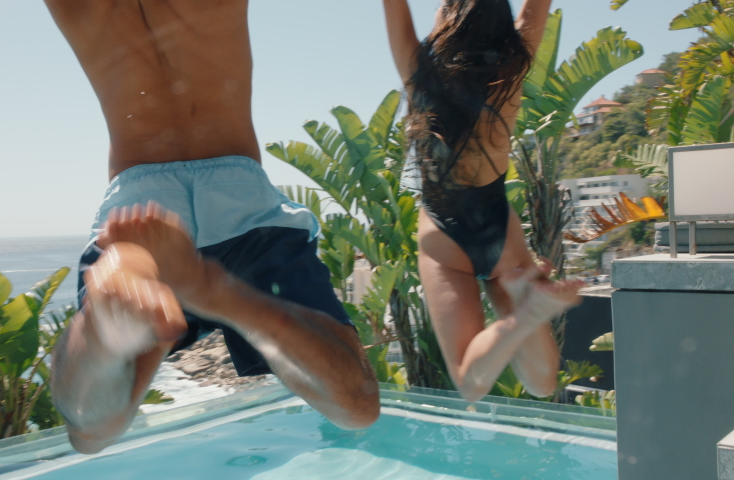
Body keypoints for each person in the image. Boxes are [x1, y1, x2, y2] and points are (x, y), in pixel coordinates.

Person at [44, 0, 379, 454]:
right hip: (240, 196)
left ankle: (103, 333)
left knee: (91, 434)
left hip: (140, 206)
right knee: (356, 407)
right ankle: (216, 291)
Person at [382, 0, 583, 402]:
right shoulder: (511, 66)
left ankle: (523, 316)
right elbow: (536, 7)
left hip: (444, 235)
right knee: (542, 384)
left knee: (470, 383)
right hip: (499, 229)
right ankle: (525, 309)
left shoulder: (417, 70)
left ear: (450, 17)